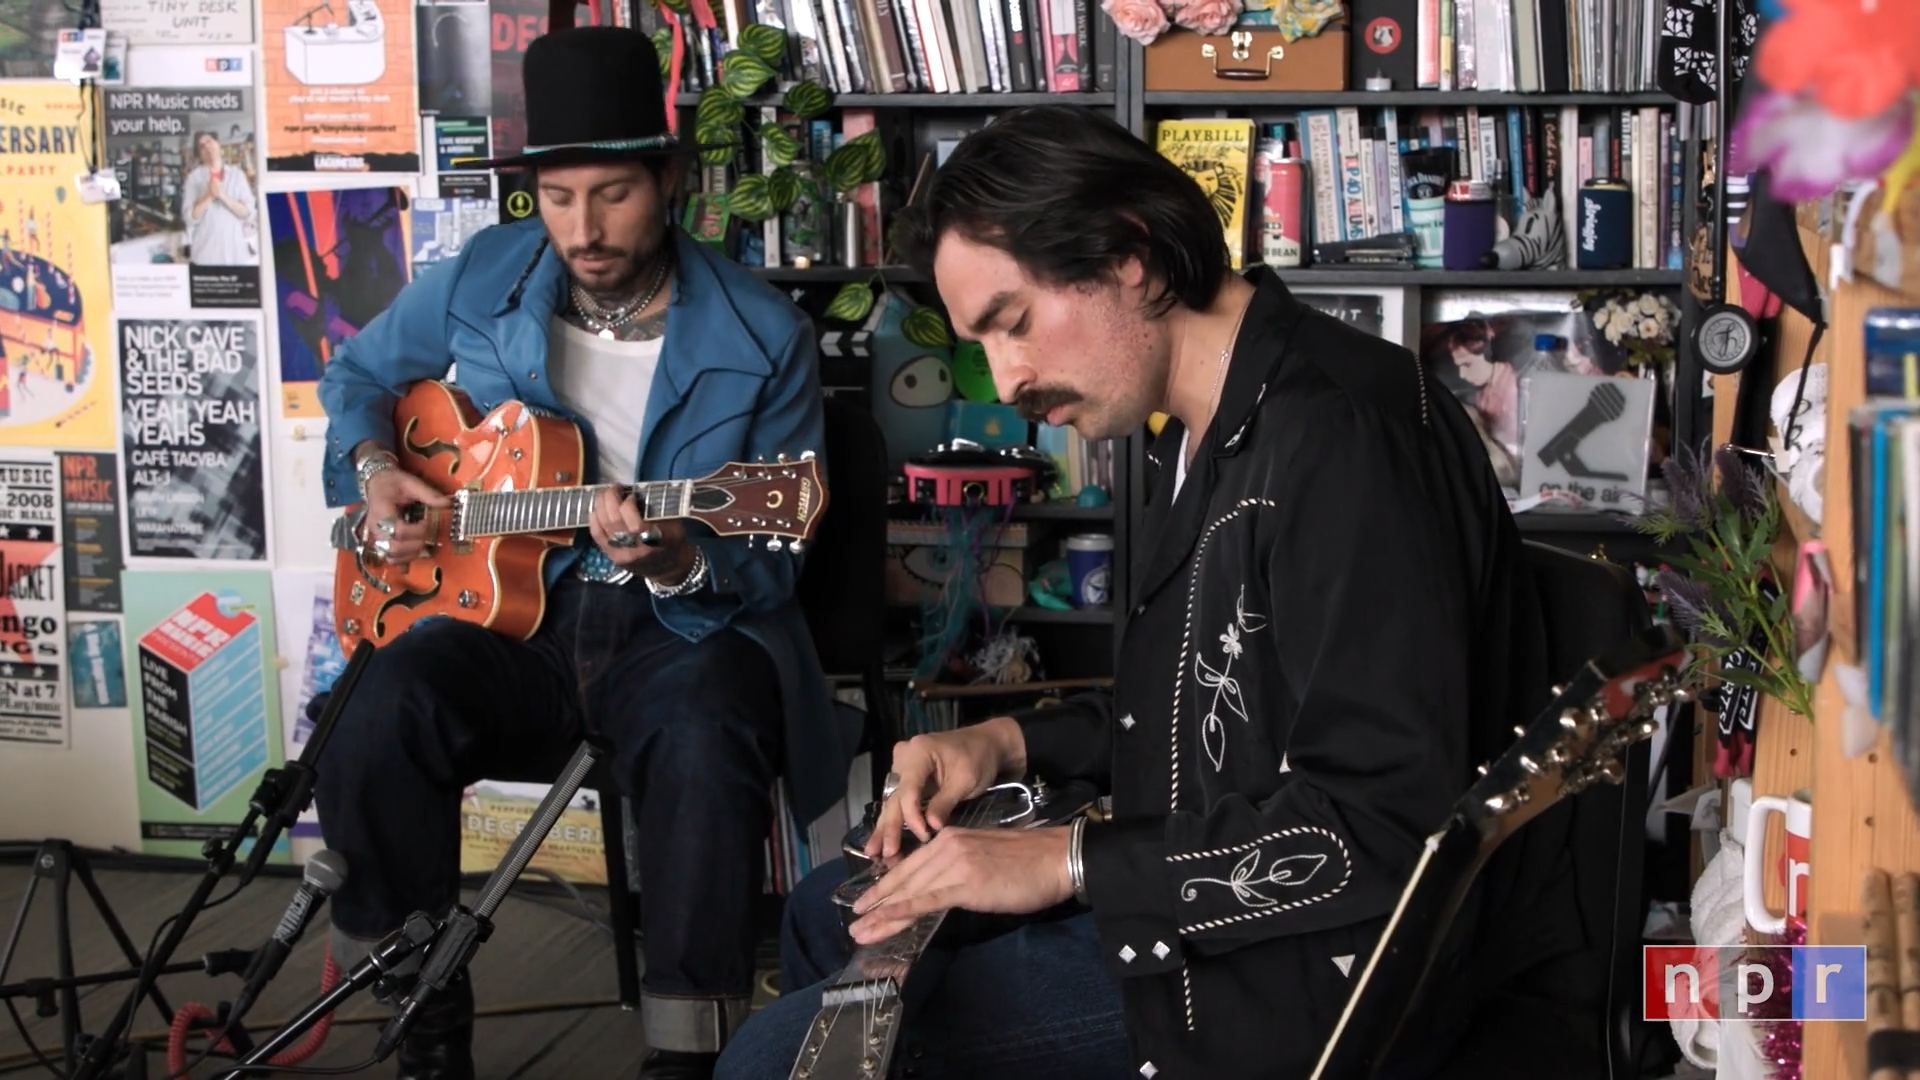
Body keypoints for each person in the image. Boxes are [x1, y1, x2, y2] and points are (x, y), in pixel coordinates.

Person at [719, 106, 1595, 1079]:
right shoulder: (1202, 427)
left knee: (770, 1054)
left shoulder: (1344, 438)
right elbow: (1211, 705)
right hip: (1230, 898)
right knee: (827, 908)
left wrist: (1067, 860)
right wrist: (1005, 741)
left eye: (1013, 324)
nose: (1005, 379)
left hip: (1333, 972)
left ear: (1129, 255)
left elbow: (1384, 827)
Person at [308, 26, 845, 1080]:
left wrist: (678, 561)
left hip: (678, 629)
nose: (585, 228)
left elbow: (776, 555)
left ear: (673, 180)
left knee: (706, 732)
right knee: (374, 712)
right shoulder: (485, 277)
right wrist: (377, 470)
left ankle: (687, 1054)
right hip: (511, 615)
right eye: (559, 197)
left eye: (614, 194)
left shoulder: (763, 333)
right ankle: (419, 1019)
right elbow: (356, 377)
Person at [180, 131, 255, 266]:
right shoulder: (193, 178)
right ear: (200, 155)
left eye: (209, 141)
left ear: (218, 144)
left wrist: (222, 195)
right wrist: (209, 195)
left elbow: (248, 213)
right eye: (202, 146)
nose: (207, 147)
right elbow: (190, 218)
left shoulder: (237, 175)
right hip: (206, 255)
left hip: (236, 254)